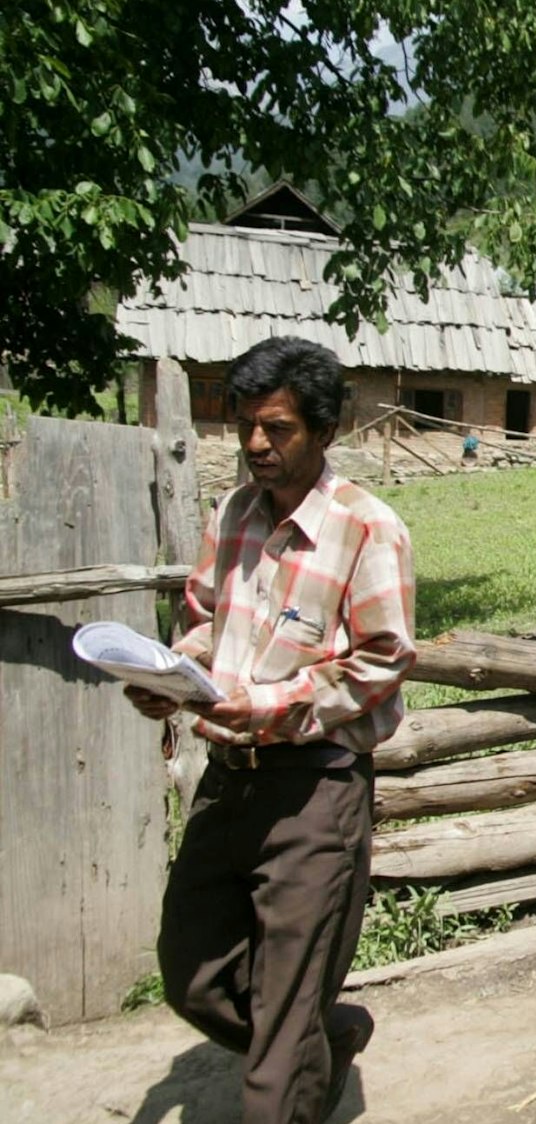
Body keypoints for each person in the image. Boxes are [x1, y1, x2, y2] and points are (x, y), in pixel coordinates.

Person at [123, 336, 416, 1124]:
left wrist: (265, 705)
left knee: (277, 1049)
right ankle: (323, 1037)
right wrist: (170, 680)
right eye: (246, 424)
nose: (256, 444)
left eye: (276, 428)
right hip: (229, 783)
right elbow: (205, 620)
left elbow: (379, 664)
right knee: (191, 974)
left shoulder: (366, 527)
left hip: (313, 792)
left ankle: (294, 1062)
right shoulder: (234, 512)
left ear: (321, 431)